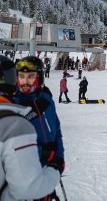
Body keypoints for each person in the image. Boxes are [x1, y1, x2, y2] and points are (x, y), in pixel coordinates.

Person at [0, 55, 61, 201]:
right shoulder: (13, 120)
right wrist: (54, 171)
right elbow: (28, 188)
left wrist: (55, 151)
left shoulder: (45, 98)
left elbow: (54, 129)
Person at [13, 56, 66, 182]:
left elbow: (56, 130)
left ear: (39, 77)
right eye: (21, 76)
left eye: (30, 76)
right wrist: (43, 152)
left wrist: (58, 157)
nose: (25, 81)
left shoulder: (46, 100)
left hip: (48, 168)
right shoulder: (14, 103)